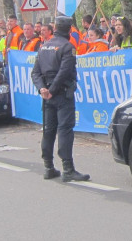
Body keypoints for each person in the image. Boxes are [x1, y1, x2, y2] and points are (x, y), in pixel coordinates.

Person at [31, 16, 89, 182]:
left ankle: (48, 167)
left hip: (47, 95)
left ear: (55, 28)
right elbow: (64, 72)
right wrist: (51, 90)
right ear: (69, 30)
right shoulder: (67, 47)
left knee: (48, 130)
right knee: (65, 129)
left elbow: (35, 72)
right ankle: (68, 168)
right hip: (62, 94)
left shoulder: (44, 47)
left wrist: (42, 88)